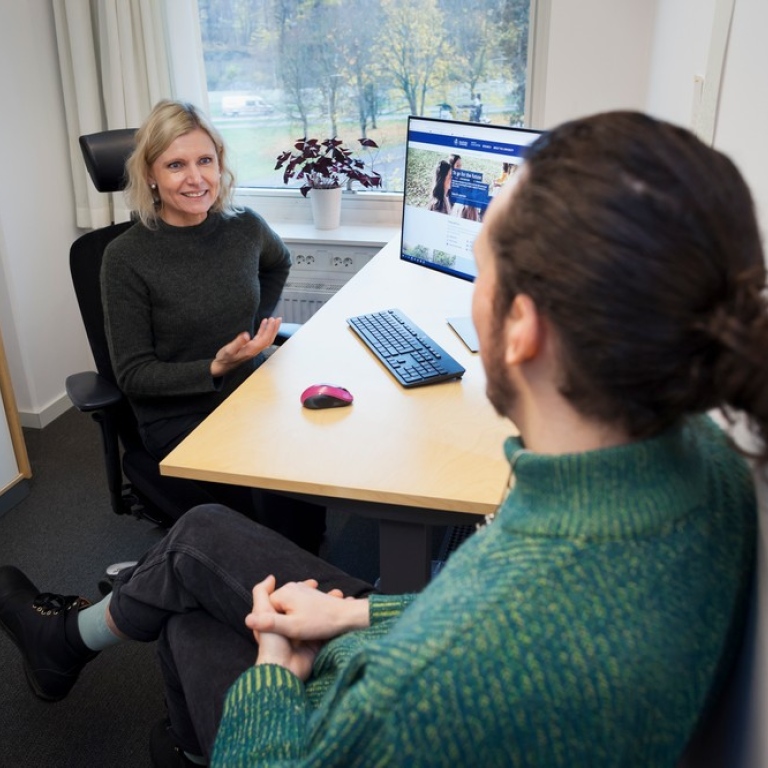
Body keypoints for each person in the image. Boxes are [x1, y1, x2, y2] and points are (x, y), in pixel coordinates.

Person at [1, 110, 766, 767]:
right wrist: (360, 614)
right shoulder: (707, 459)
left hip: (377, 688)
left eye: (480, 273)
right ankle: (68, 641)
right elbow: (476, 606)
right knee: (201, 533)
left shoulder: (434, 677)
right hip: (412, 634)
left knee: (197, 627)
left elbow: (449, 649)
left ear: (522, 328)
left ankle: (163, 718)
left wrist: (273, 669)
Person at [101, 99, 325, 551]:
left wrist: (253, 327)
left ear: (220, 163)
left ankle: (308, 576)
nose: (196, 178)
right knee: (258, 527)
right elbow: (133, 374)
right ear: (150, 175)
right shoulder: (125, 258)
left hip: (251, 390)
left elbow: (277, 263)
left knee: (310, 474)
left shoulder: (242, 227)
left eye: (205, 160)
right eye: (176, 165)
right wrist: (215, 367)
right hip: (179, 416)